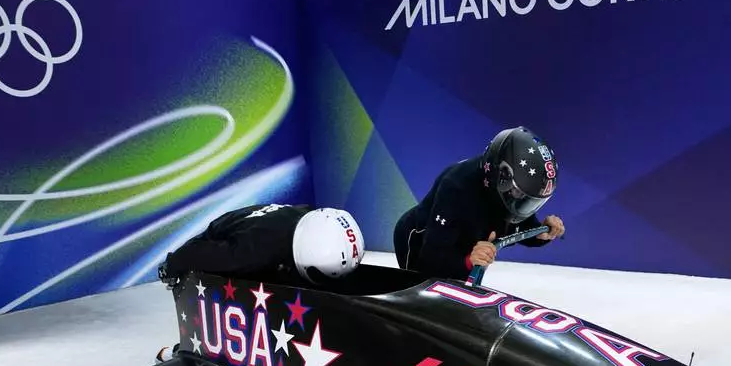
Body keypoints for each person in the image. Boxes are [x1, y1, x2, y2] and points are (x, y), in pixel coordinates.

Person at [393, 126, 565, 280]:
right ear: (501, 177)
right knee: (422, 290)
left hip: (462, 245)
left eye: (529, 201)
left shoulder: (508, 195)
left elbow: (517, 225)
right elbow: (430, 262)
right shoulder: (456, 188)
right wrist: (468, 261)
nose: (521, 203)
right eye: (519, 194)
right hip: (420, 241)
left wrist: (541, 233)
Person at [158, 203, 365, 286]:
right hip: (227, 231)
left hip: (269, 222)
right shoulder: (252, 253)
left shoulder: (314, 218)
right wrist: (170, 266)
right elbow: (193, 254)